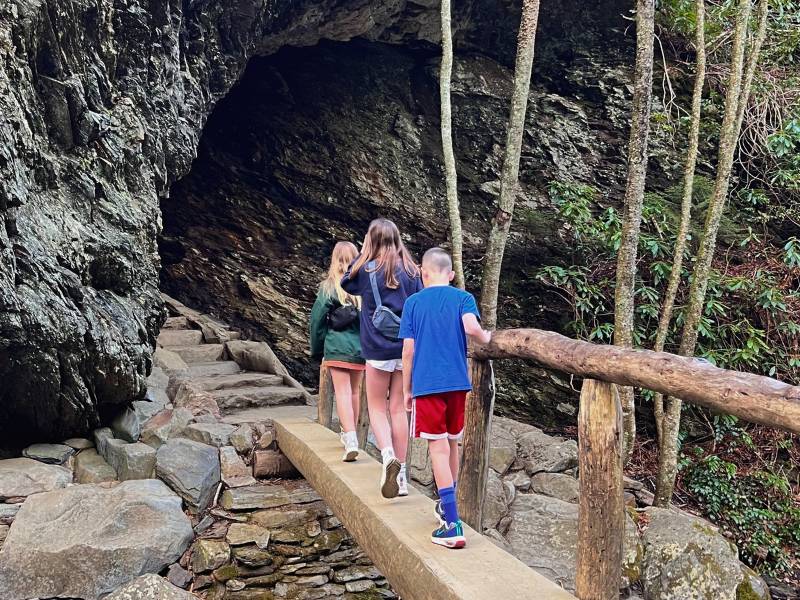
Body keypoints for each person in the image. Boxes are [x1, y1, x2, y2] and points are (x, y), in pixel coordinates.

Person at [400, 247, 491, 548]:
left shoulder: (413, 303)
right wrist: (488, 338)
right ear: (450, 274)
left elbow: (408, 351)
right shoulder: (462, 297)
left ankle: (451, 525)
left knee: (437, 448)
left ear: (423, 273)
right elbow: (471, 328)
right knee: (452, 442)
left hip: (427, 384)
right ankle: (445, 507)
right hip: (457, 383)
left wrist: (406, 389)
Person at [342, 218, 423, 498]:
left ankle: (387, 455)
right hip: (404, 348)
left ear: (371, 240)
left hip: (376, 348)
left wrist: (364, 253)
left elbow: (345, 282)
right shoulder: (413, 271)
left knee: (376, 407)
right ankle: (400, 478)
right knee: (399, 410)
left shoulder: (366, 270)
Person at [310, 241, 366, 462]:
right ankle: (351, 436)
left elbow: (316, 321)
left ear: (334, 260)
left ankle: (350, 437)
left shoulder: (329, 287)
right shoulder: (363, 288)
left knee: (342, 393)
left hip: (336, 347)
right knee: (353, 392)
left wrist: (318, 349)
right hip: (360, 349)